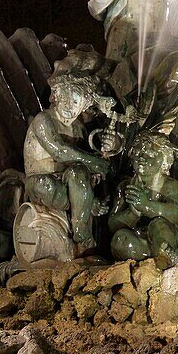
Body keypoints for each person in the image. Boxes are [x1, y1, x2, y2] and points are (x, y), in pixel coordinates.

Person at [23, 73, 111, 253]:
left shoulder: (78, 128)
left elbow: (82, 160)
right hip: (42, 182)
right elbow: (59, 151)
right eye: (66, 99)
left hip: (68, 182)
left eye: (76, 102)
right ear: (56, 96)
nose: (70, 106)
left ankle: (80, 232)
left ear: (84, 106)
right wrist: (93, 162)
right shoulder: (43, 119)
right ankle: (87, 206)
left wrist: (105, 151)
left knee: (79, 173)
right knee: (48, 186)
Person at [108, 132, 178, 263]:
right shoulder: (125, 186)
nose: (142, 158)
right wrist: (133, 212)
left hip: (164, 237)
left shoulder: (170, 186)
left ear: (164, 160)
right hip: (140, 241)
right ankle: (144, 263)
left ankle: (166, 257)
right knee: (119, 239)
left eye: (150, 155)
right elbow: (112, 224)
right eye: (138, 153)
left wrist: (146, 206)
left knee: (158, 225)